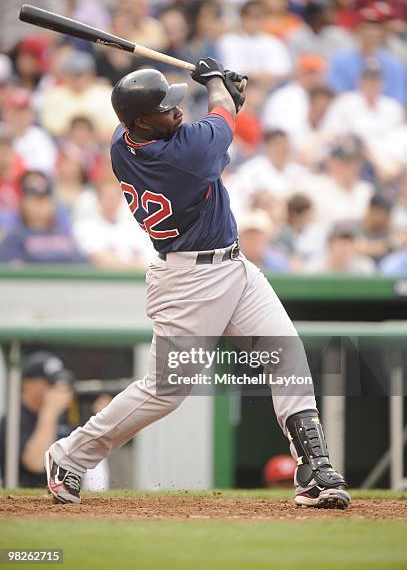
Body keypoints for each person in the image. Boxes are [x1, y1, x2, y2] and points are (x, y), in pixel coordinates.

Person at [44, 60, 350, 510]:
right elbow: (222, 119)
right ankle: (69, 455)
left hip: (233, 266)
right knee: (166, 390)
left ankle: (313, 469)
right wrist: (215, 83)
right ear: (142, 123)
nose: (176, 112)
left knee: (285, 351)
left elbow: (216, 117)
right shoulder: (180, 158)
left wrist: (223, 94)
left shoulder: (122, 141)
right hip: (189, 282)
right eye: (166, 110)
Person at [0, 352, 74, 488]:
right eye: (49, 382)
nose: (56, 388)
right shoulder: (13, 419)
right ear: (27, 383)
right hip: (24, 503)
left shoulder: (62, 415)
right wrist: (49, 411)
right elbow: (36, 463)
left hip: (64, 502)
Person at [0, 170, 85, 264]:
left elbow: (82, 265)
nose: (39, 207)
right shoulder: (14, 237)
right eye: (35, 201)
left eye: (43, 201)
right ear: (24, 204)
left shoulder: (64, 234)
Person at [306, 221, 376, 274]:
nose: (345, 247)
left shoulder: (364, 267)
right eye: (342, 242)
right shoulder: (315, 267)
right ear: (330, 243)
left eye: (350, 243)